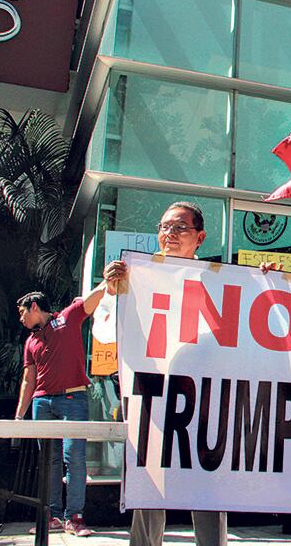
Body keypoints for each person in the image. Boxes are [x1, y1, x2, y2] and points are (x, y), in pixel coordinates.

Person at [105, 202, 228, 546]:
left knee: (207, 486)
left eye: (179, 228)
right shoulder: (136, 275)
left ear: (200, 237)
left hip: (203, 400)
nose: (169, 234)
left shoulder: (218, 281)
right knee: (150, 484)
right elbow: (105, 332)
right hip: (153, 395)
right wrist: (113, 291)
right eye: (164, 227)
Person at [15, 273, 123, 537]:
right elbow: (28, 380)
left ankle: (74, 518)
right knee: (48, 460)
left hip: (73, 399)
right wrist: (19, 417)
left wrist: (109, 278)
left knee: (74, 458)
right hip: (42, 403)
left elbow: (92, 299)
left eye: (22, 313)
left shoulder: (67, 317)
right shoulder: (31, 341)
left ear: (35, 307)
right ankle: (51, 516)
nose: (21, 319)